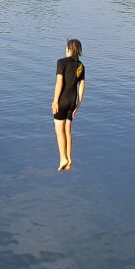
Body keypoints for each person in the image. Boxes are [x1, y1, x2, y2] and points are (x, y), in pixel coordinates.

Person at [51, 39, 85, 171]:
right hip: (72, 101)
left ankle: (63, 158)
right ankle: (69, 159)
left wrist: (55, 101)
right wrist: (78, 104)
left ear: (69, 49)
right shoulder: (80, 66)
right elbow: (82, 85)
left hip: (62, 100)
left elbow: (59, 83)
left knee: (59, 130)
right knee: (67, 130)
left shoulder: (61, 62)